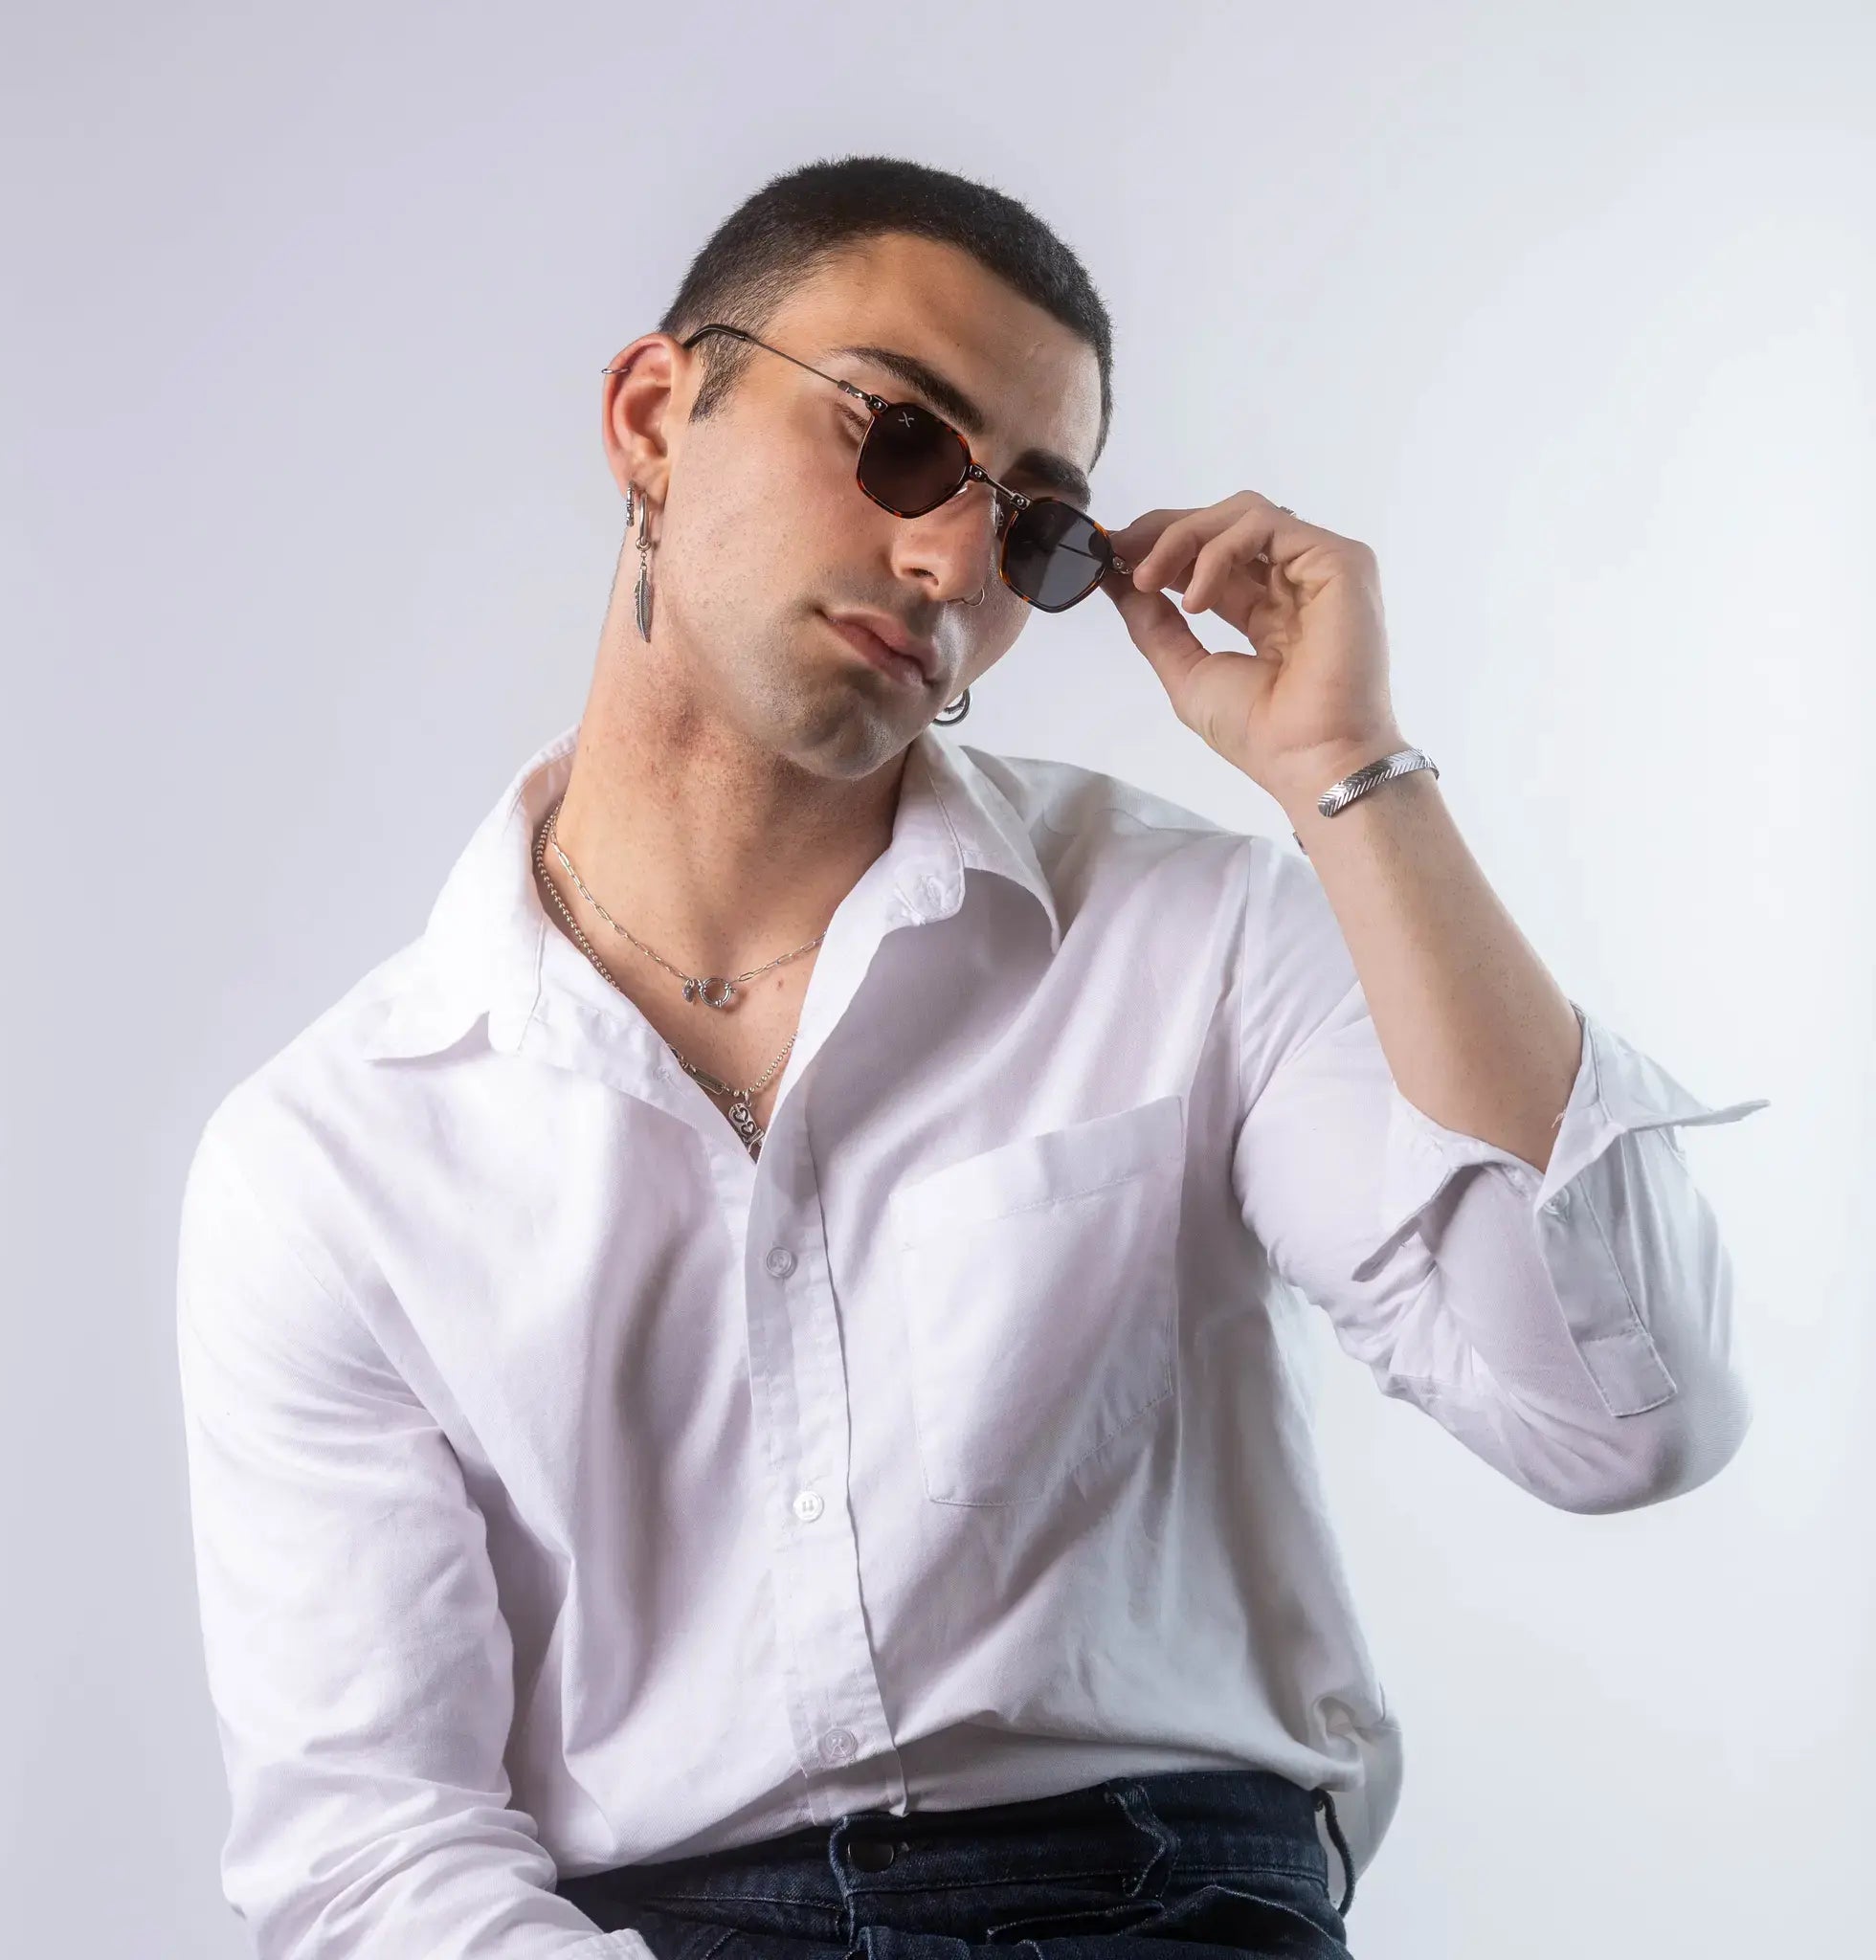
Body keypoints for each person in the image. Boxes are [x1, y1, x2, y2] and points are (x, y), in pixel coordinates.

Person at [173, 155, 1770, 1960]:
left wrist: (1357, 777)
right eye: (901, 437)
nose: (948, 558)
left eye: (1034, 533)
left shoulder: (1194, 936)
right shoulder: (331, 1158)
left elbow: (1627, 1421)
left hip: (1160, 1902)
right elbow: (373, 1860)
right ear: (651, 414)